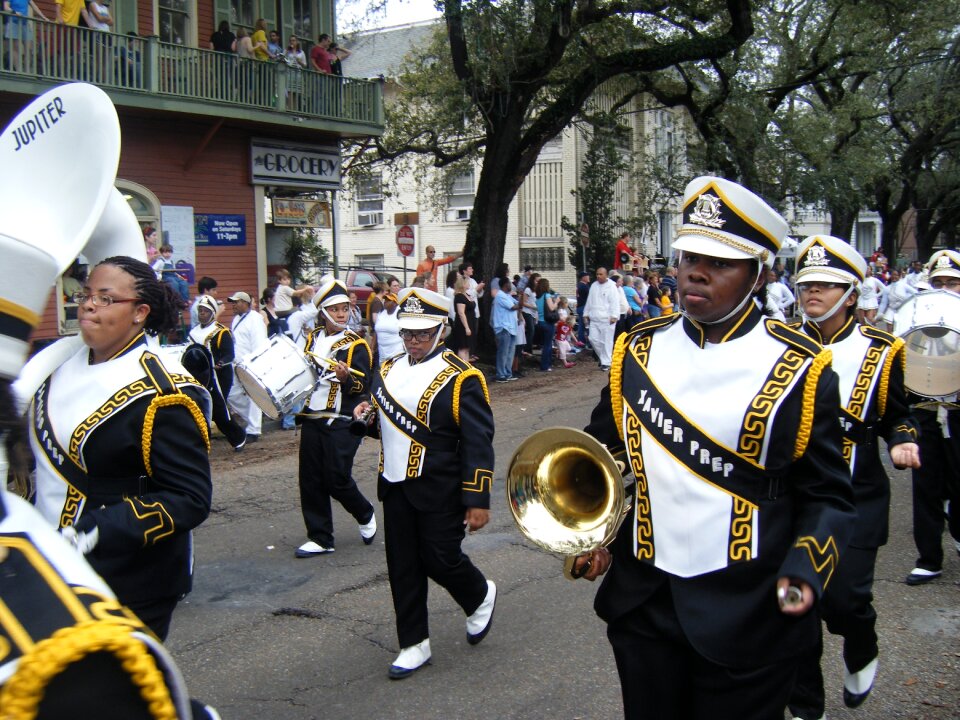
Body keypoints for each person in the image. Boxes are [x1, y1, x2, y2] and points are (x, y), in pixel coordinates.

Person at [573, 176, 856, 719]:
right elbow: (598, 456)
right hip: (644, 604)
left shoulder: (798, 366)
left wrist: (806, 568)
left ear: (759, 274)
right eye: (689, 256)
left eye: (720, 262)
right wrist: (589, 531)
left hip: (750, 610)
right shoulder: (637, 349)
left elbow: (828, 496)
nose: (695, 271)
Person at [31, 256, 213, 641]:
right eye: (86, 295)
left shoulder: (166, 393)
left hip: (129, 579)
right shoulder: (53, 364)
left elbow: (189, 498)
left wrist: (99, 528)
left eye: (106, 298)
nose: (89, 304)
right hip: (49, 566)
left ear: (140, 312)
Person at [788, 235, 920, 720]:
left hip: (856, 494)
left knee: (845, 599)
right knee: (792, 603)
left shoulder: (884, 350)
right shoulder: (777, 345)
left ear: (851, 293)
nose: (813, 294)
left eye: (826, 285)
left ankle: (861, 641)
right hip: (794, 496)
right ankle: (805, 703)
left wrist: (903, 439)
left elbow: (899, 414)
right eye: (806, 285)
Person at [352, 287, 496, 679]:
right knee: (402, 566)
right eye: (407, 334)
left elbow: (478, 442)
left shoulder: (462, 378)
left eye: (422, 334)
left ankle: (479, 594)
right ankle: (413, 643)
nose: (413, 341)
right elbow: (390, 430)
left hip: (441, 486)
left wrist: (477, 496)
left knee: (441, 558)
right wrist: (365, 416)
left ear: (442, 330)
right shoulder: (386, 370)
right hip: (394, 483)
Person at [295, 279, 377, 558]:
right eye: (335, 309)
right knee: (310, 479)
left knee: (336, 477)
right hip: (313, 416)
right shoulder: (312, 339)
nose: (342, 314)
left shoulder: (357, 345)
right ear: (323, 312)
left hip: (343, 418)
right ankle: (320, 537)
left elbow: (362, 387)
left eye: (345, 308)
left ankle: (364, 512)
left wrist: (345, 378)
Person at [904, 249, 960, 587]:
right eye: (937, 282)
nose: (944, 288)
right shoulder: (920, 319)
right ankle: (929, 558)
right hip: (926, 413)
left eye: (952, 282)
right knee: (925, 487)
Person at [188, 295, 248, 451]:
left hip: (219, 377)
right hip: (199, 376)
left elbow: (229, 354)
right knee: (198, 409)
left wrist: (220, 363)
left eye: (206, 311)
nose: (202, 313)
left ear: (212, 313)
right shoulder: (193, 332)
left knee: (218, 411)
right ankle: (202, 442)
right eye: (200, 310)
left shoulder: (221, 332)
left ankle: (238, 437)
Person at [226, 290, 267, 442]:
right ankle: (252, 419)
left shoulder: (255, 319)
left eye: (236, 302)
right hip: (236, 362)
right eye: (233, 302)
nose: (233, 305)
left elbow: (259, 342)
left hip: (250, 362)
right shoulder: (236, 319)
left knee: (253, 395)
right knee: (231, 393)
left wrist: (255, 362)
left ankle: (254, 429)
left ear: (246, 303)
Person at [583, 267, 619, 370]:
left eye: (601, 274)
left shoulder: (612, 287)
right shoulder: (594, 285)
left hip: (607, 318)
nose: (598, 276)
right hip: (594, 317)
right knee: (593, 339)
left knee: (607, 341)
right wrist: (586, 313)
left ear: (606, 275)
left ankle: (606, 363)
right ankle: (604, 358)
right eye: (597, 274)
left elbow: (614, 302)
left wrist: (614, 316)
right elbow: (589, 301)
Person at [492, 277, 519, 383]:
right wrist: (520, 302)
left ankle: (508, 372)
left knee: (510, 352)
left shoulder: (508, 296)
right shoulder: (500, 296)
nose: (511, 285)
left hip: (512, 327)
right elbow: (513, 307)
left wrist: (520, 299)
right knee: (503, 352)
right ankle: (500, 374)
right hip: (503, 327)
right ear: (505, 285)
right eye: (509, 284)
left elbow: (518, 304)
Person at [535, 277, 559, 372]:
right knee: (548, 345)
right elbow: (552, 308)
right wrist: (556, 302)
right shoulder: (547, 295)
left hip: (540, 321)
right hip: (548, 322)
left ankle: (546, 364)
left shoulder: (538, 296)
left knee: (545, 344)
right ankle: (545, 365)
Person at [374, 292, 403, 364]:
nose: (385, 302)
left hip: (396, 352)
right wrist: (372, 348)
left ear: (395, 303)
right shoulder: (381, 313)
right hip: (382, 352)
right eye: (385, 300)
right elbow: (376, 331)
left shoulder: (400, 313)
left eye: (388, 300)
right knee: (383, 372)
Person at [452, 275, 475, 361]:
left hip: (470, 321)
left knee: (467, 347)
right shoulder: (459, 296)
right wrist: (466, 327)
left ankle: (467, 365)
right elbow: (461, 313)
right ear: (463, 284)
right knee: (463, 347)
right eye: (467, 282)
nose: (469, 284)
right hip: (463, 325)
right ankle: (462, 366)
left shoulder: (467, 295)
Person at [576, 271, 591, 346]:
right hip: (583, 307)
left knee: (581, 325)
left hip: (580, 306)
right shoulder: (584, 286)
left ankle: (581, 340)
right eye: (587, 276)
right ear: (583, 277)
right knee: (586, 325)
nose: (589, 277)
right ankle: (585, 342)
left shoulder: (579, 285)